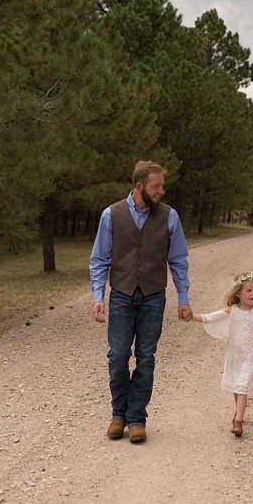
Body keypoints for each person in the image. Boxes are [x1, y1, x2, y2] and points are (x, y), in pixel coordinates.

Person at [90, 160, 192, 444]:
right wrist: (98, 296)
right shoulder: (111, 215)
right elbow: (99, 259)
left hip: (153, 295)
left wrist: (183, 298)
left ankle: (137, 418)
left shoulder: (170, 217)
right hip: (121, 293)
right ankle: (118, 414)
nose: (161, 191)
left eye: (161, 185)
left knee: (146, 357)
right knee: (119, 355)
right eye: (155, 186)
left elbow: (179, 261)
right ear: (139, 186)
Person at [189, 272, 253, 437]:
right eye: (248, 290)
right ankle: (239, 412)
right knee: (236, 386)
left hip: (250, 356)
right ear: (238, 293)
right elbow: (209, 318)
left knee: (242, 387)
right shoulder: (231, 310)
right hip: (234, 355)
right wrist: (190, 316)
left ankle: (238, 421)